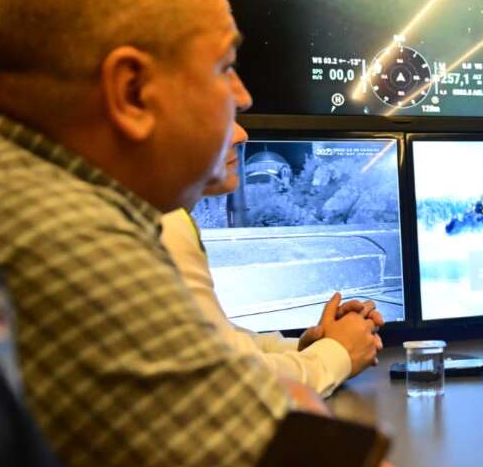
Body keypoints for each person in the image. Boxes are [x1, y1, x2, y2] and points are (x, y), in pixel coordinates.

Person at [0, 0, 383, 467]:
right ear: (132, 92)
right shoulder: (73, 239)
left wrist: (287, 376)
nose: (243, 97)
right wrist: (298, 399)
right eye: (225, 66)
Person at [160, 123, 385, 398]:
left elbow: (225, 341)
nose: (241, 135)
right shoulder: (164, 224)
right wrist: (338, 352)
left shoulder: (171, 218)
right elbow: (234, 380)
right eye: (222, 110)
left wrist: (318, 345)